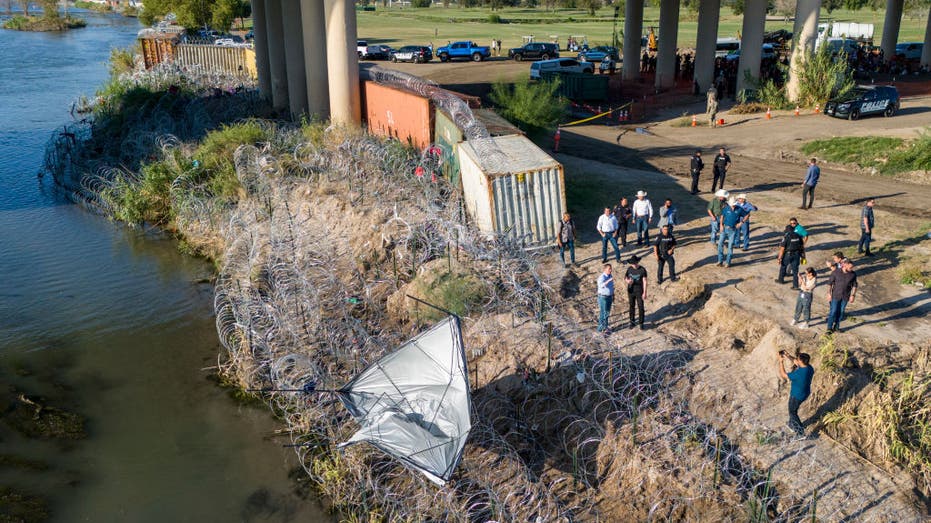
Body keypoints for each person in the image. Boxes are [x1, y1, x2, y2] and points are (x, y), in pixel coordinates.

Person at [777, 351, 814, 438]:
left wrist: (781, 362)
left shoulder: (799, 374)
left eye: (798, 359)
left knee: (792, 412)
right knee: (794, 410)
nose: (796, 359)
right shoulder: (809, 368)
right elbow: (796, 362)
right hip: (805, 393)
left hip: (796, 396)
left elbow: (784, 375)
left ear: (801, 361)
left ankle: (800, 433)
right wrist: (787, 355)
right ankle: (791, 424)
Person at [826, 259, 858, 333]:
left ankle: (836, 327)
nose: (851, 269)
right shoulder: (836, 272)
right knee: (833, 311)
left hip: (845, 296)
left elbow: (855, 285)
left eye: (852, 267)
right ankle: (829, 328)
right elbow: (830, 283)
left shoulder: (853, 274)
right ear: (844, 265)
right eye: (850, 267)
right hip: (835, 295)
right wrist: (829, 293)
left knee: (841, 312)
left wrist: (853, 295)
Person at [776, 218, 806, 288]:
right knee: (795, 271)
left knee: (783, 266)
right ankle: (795, 286)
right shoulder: (799, 236)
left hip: (788, 254)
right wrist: (803, 256)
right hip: (797, 254)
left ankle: (781, 280)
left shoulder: (786, 237)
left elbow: (782, 249)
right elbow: (802, 247)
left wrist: (779, 258)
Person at [717, 196, 745, 267]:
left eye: (734, 205)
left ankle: (728, 262)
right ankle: (720, 261)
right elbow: (722, 217)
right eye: (732, 205)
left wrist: (741, 223)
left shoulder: (740, 209)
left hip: (733, 230)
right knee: (720, 244)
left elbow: (747, 215)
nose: (733, 206)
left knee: (730, 246)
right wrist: (721, 225)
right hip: (724, 228)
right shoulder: (726, 208)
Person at [624, 255, 648, 330]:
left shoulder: (642, 270)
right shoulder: (629, 269)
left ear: (637, 262)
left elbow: (645, 281)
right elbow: (625, 277)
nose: (633, 265)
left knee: (641, 306)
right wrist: (627, 281)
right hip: (631, 290)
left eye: (634, 263)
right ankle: (632, 322)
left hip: (639, 291)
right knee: (631, 306)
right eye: (632, 263)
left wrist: (644, 292)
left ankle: (641, 323)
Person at [597, 263, 615, 333]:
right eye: (609, 269)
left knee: (607, 312)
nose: (610, 270)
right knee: (603, 312)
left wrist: (613, 294)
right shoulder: (602, 277)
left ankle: (605, 327)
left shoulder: (610, 275)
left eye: (611, 269)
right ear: (605, 270)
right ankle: (600, 328)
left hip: (609, 296)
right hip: (603, 297)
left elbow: (611, 286)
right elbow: (601, 286)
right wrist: (608, 281)